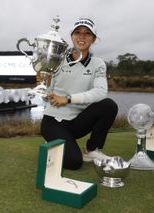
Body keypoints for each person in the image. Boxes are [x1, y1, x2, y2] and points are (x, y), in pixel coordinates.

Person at [40, 17, 118, 170]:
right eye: (77, 32)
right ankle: (53, 143)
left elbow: (101, 92)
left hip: (78, 122)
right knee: (74, 163)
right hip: (54, 121)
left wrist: (68, 99)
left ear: (94, 39)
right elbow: (46, 95)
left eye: (87, 33)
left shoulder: (98, 64)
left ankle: (91, 150)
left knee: (108, 105)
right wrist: (45, 84)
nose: (81, 37)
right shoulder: (58, 59)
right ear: (72, 36)